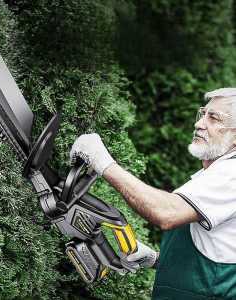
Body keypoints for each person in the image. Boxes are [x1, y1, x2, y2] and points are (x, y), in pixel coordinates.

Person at [69, 88, 236, 299]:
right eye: (202, 114)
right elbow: (220, 252)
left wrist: (103, 162)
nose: (199, 123)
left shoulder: (231, 175)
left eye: (214, 118)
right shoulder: (212, 176)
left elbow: (167, 213)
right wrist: (156, 259)